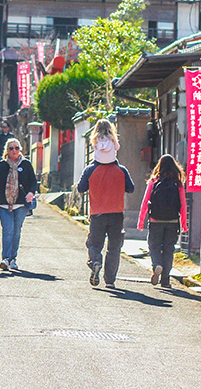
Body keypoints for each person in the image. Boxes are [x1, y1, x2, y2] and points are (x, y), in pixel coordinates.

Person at [76, 119, 134, 288]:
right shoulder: (121, 171)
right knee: (114, 248)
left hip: (97, 213)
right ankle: (110, 281)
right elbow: (131, 189)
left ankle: (95, 262)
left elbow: (81, 188)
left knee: (94, 244)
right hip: (116, 213)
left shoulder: (90, 170)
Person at [0, 138, 38, 271]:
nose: (14, 151)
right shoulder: (2, 165)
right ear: (6, 151)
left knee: (16, 232)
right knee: (8, 230)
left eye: (16, 148)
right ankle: (6, 258)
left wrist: (31, 193)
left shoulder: (26, 165)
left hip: (20, 204)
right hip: (3, 204)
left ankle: (13, 258)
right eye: (11, 148)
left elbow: (33, 181)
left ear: (20, 150)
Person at [137, 154, 188, 288]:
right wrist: (184, 224)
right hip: (172, 221)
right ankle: (165, 281)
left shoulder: (154, 181)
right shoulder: (178, 184)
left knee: (154, 246)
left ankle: (157, 265)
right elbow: (183, 204)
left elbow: (145, 202)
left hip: (155, 220)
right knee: (168, 250)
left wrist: (141, 221)